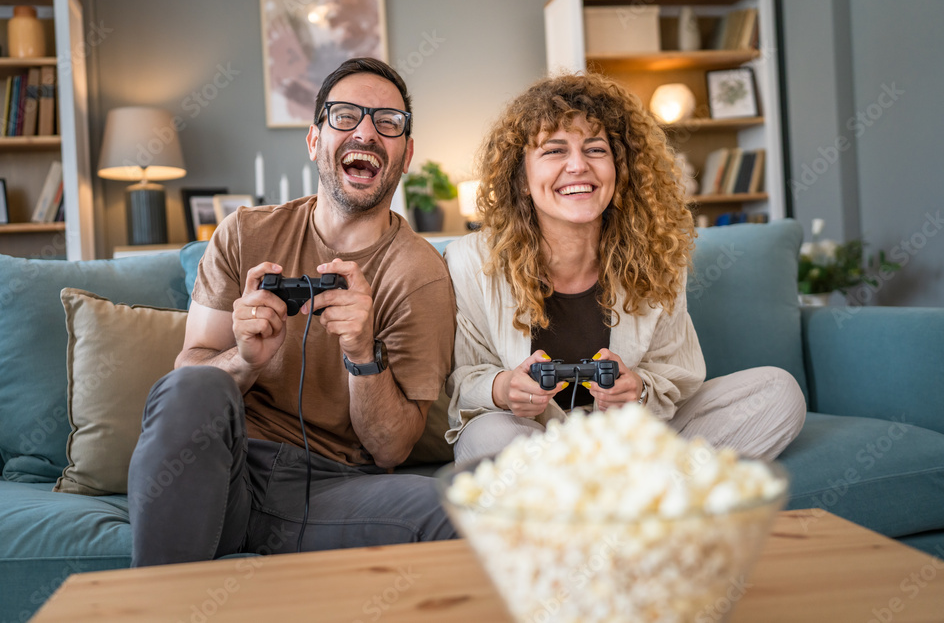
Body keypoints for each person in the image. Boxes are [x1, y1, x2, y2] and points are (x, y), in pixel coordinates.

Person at [128, 58, 457, 567]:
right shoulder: (243, 232)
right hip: (224, 471)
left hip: (333, 492)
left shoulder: (422, 274)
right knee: (195, 384)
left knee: (456, 512)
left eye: (387, 122)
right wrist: (245, 359)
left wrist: (361, 353)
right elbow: (187, 379)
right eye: (345, 115)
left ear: (406, 153)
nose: (367, 132)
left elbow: (391, 449)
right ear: (313, 140)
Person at [444, 72, 806, 467]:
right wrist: (503, 388)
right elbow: (462, 380)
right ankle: (641, 497)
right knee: (490, 437)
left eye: (596, 149)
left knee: (779, 391)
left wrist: (639, 388)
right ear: (522, 179)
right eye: (554, 151)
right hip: (532, 436)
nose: (578, 166)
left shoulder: (656, 255)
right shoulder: (471, 262)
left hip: (631, 437)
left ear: (620, 169)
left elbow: (676, 371)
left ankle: (595, 495)